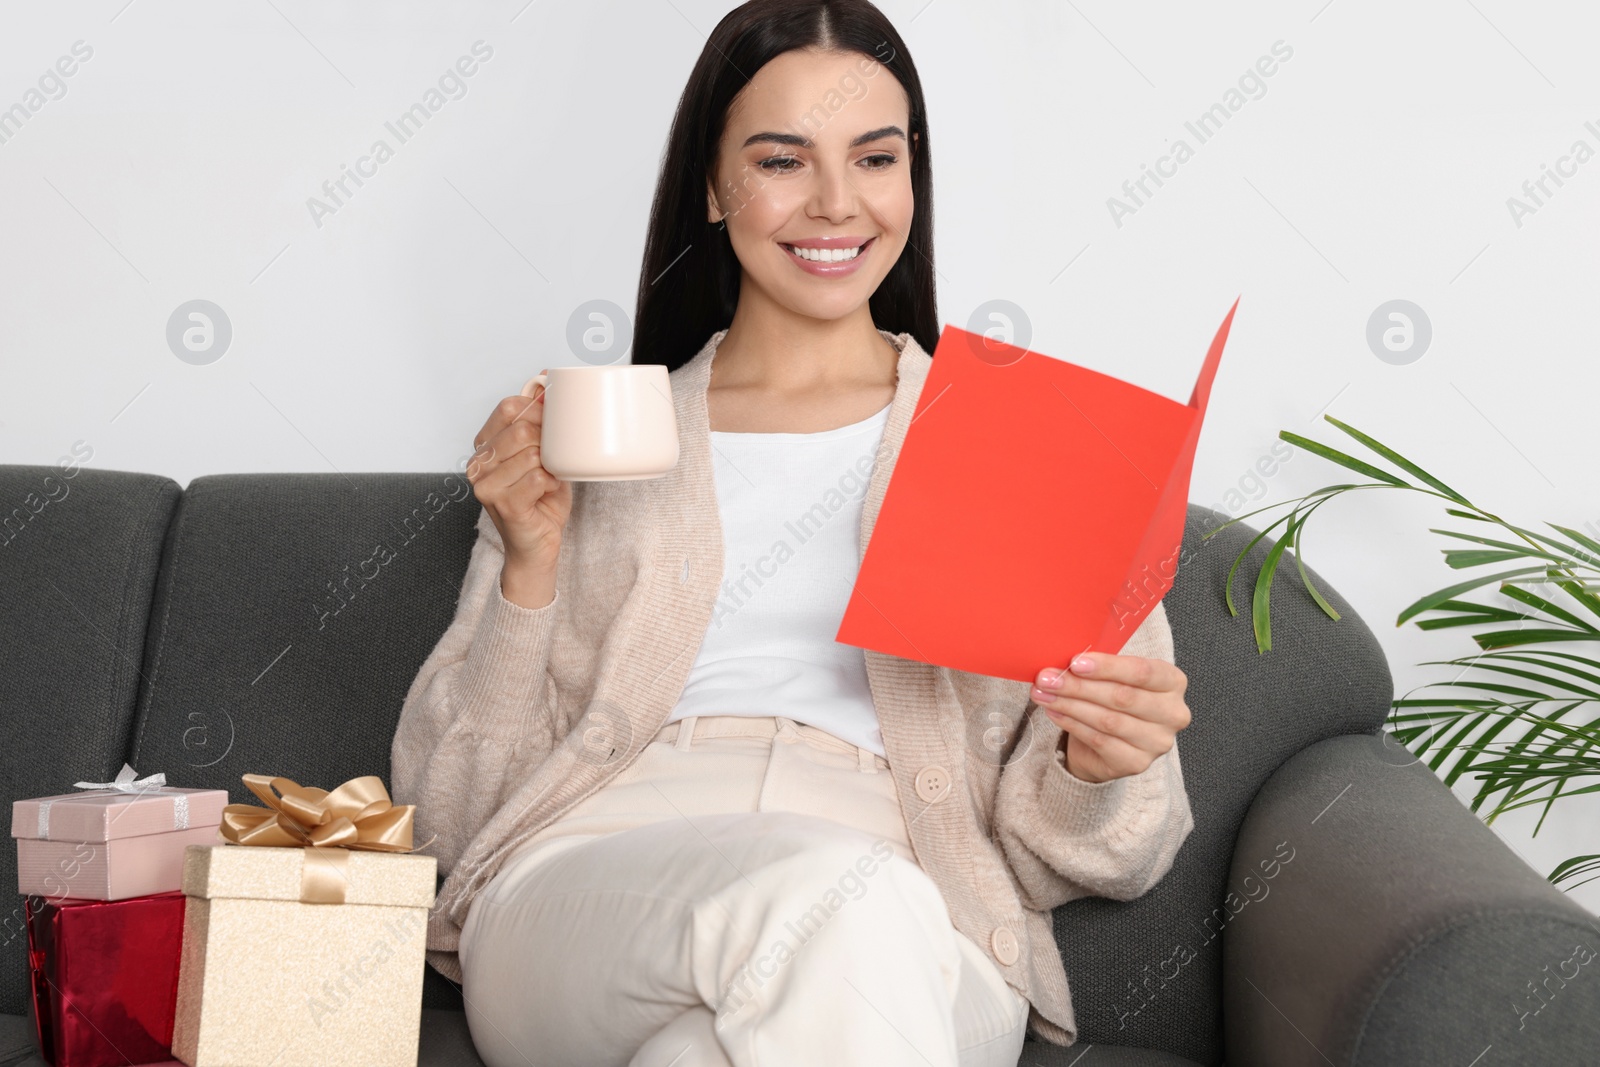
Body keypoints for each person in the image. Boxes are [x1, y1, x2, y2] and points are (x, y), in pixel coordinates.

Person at [390, 2, 1194, 1064]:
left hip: (916, 917)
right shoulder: (590, 438)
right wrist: (531, 562)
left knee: (720, 1030)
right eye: (781, 160)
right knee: (822, 902)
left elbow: (1107, 855)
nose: (834, 202)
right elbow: (448, 819)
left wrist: (1101, 763)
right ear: (715, 189)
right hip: (599, 884)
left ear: (913, 178)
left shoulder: (1029, 445)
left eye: (874, 157)